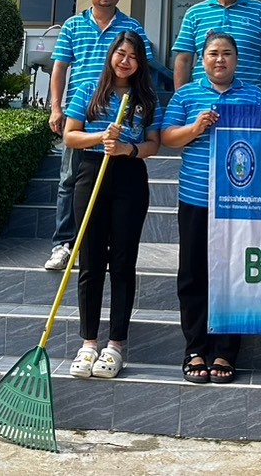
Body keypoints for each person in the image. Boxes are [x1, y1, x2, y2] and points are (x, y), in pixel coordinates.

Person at [160, 30, 261, 384]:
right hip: (195, 198)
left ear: (237, 60)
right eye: (212, 54)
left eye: (226, 54)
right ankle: (195, 348)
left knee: (233, 275)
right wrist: (195, 127)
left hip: (239, 200)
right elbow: (167, 137)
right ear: (201, 59)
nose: (219, 59)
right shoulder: (187, 94)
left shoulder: (253, 94)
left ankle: (225, 350)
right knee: (193, 274)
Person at [63, 30, 161, 380]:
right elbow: (70, 135)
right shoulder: (90, 90)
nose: (125, 60)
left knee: (122, 262)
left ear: (139, 63)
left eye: (132, 56)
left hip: (130, 178)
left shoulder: (146, 99)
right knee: (90, 262)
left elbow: (153, 145)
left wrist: (128, 150)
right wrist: (101, 137)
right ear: (111, 56)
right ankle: (89, 342)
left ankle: (116, 344)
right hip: (91, 173)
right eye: (120, 53)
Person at [44, 0, 154, 272]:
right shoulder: (72, 26)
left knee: (110, 185)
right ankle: (65, 244)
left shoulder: (131, 26)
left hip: (120, 113)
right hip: (83, 112)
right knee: (69, 179)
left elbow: (144, 64)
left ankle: (96, 242)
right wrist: (56, 108)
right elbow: (60, 67)